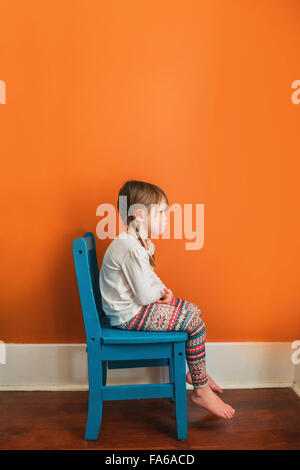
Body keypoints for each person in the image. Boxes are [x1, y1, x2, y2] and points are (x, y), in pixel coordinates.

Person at [99, 180, 235, 419]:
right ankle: (201, 390)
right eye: (161, 213)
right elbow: (143, 295)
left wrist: (164, 290)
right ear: (140, 215)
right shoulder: (130, 247)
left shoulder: (138, 243)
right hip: (129, 316)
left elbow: (148, 278)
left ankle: (196, 373)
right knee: (194, 323)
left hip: (135, 309)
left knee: (194, 310)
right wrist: (159, 294)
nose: (166, 218)